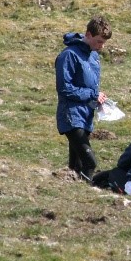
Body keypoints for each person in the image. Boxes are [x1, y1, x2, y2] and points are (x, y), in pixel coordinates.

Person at [55, 15, 112, 182]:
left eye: (104, 42)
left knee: (76, 164)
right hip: (71, 116)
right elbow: (64, 88)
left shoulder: (93, 56)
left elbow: (87, 86)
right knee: (90, 162)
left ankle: (72, 194)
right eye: (99, 41)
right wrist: (93, 95)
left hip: (86, 115)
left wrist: (98, 99)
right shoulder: (69, 55)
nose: (101, 46)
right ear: (88, 34)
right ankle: (86, 193)